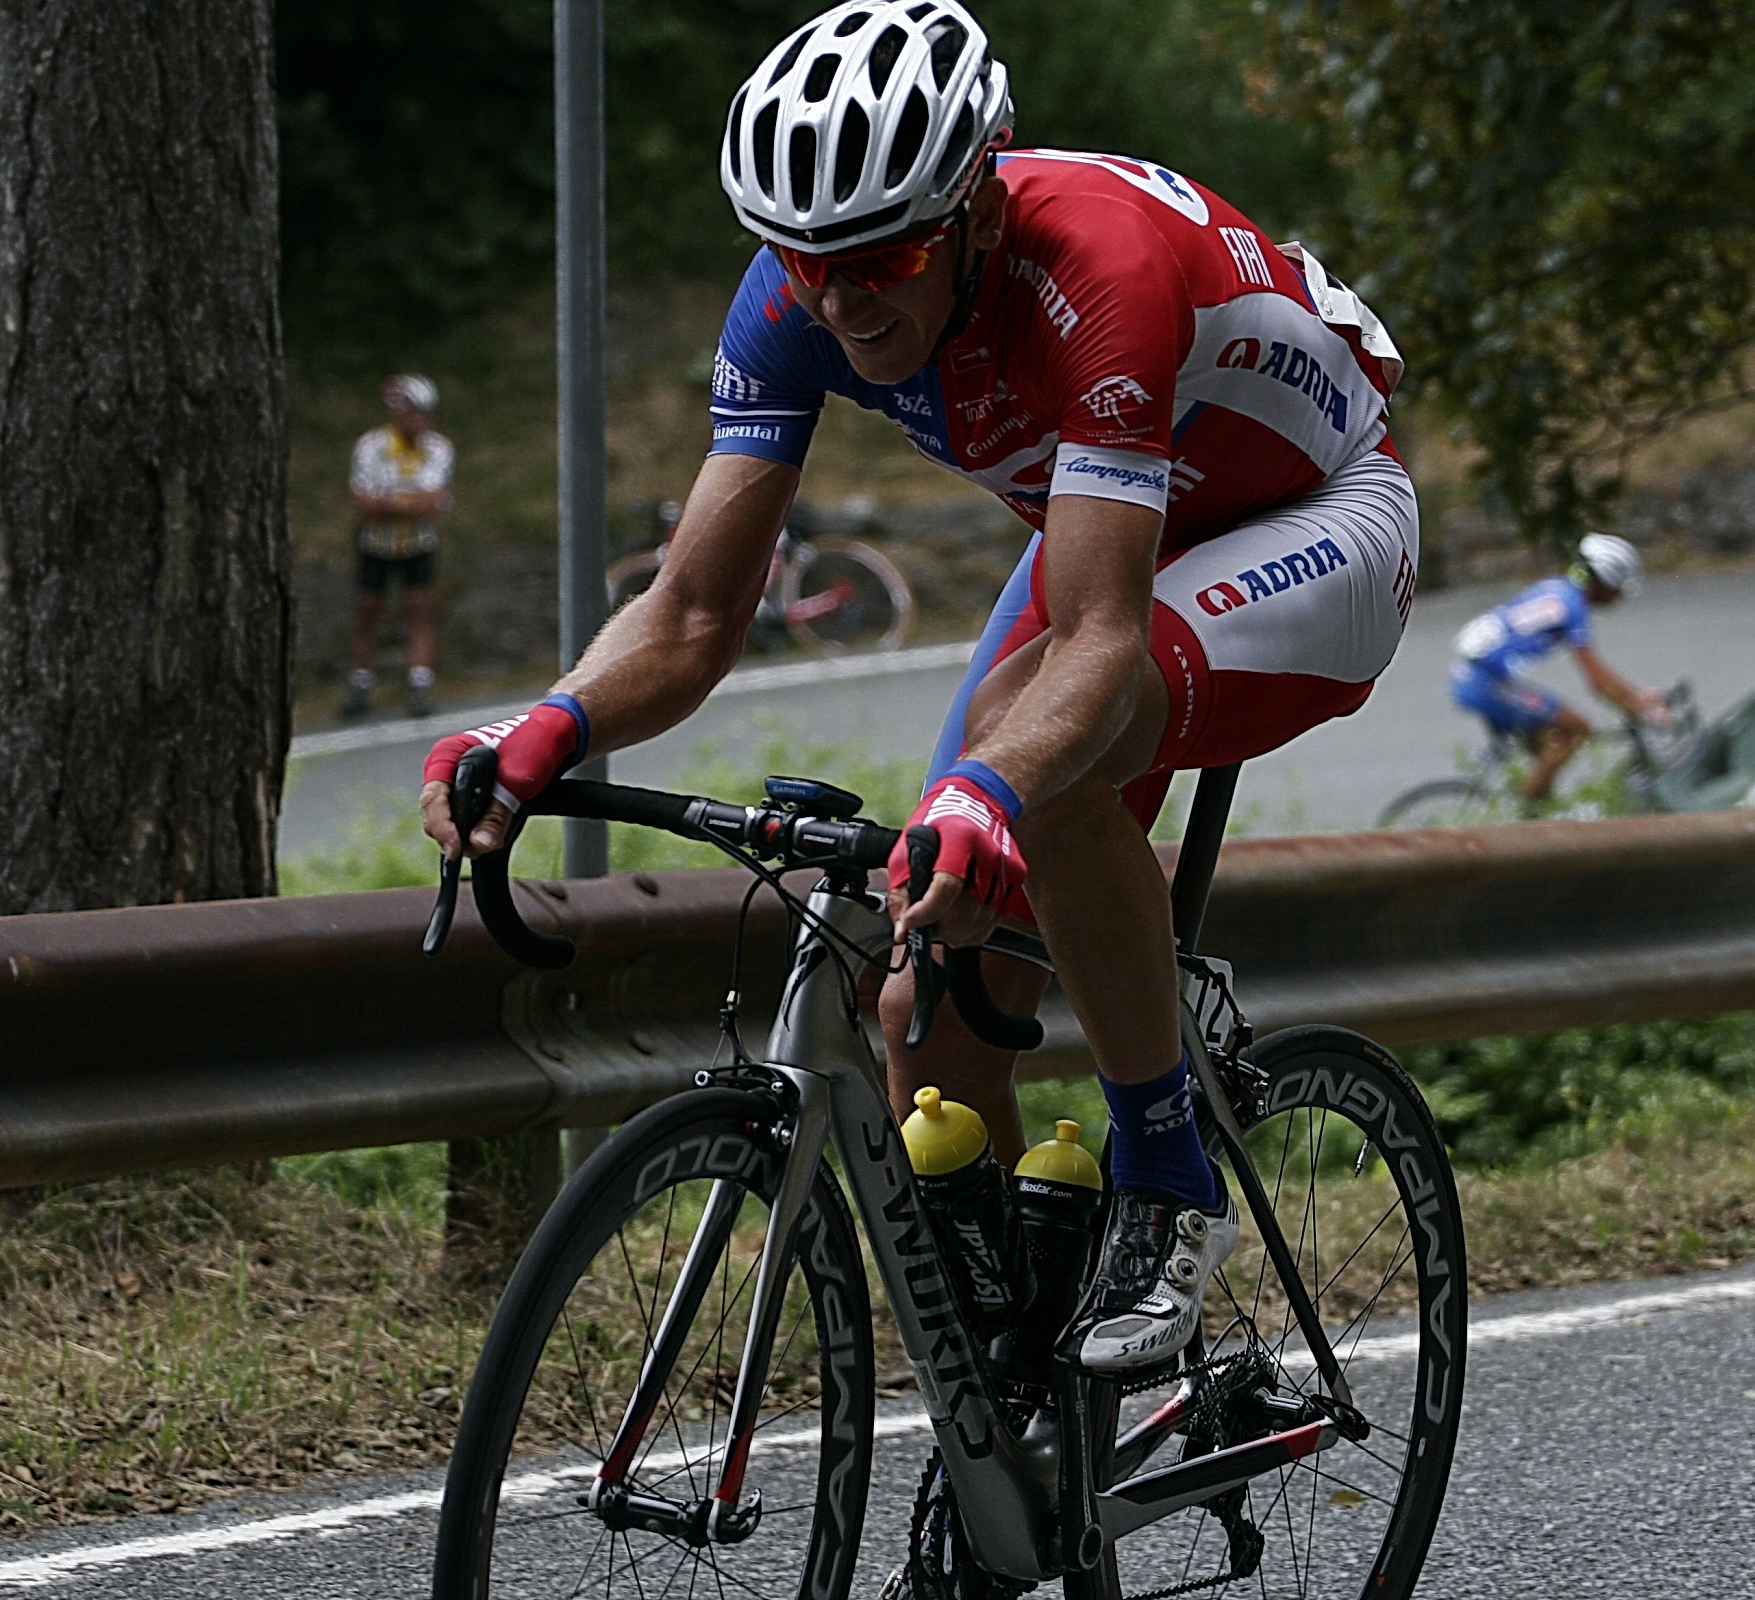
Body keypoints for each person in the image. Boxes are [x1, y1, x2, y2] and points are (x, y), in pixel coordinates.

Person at [421, 0, 1417, 1374]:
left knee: (1033, 774)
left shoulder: (1098, 267)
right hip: (1113, 523)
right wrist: (544, 724)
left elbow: (1103, 641)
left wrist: (993, 788)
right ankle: (1020, 1402)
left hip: (1318, 520)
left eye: (882, 254)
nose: (842, 298)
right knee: (921, 1007)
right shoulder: (800, 297)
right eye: (806, 261)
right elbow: (699, 608)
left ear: (976, 209)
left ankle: (1169, 1175)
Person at [1448, 533, 1666, 804]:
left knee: (1547, 748)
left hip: (1476, 676)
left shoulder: (1558, 589)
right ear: (1604, 581)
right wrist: (1638, 702)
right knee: (1576, 729)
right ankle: (1524, 821)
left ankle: (1538, 808)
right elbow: (1597, 679)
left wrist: (1633, 696)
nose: (1620, 597)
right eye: (1618, 589)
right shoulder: (1572, 607)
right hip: (1484, 684)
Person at [347, 374, 453, 720]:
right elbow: (364, 503)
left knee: (419, 608)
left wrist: (388, 504)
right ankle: (360, 684)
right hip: (375, 544)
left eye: (425, 413)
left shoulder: (437, 447)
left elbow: (431, 504)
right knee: (367, 611)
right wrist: (408, 504)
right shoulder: (371, 446)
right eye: (414, 413)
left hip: (417, 543)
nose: (420, 421)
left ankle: (419, 683)